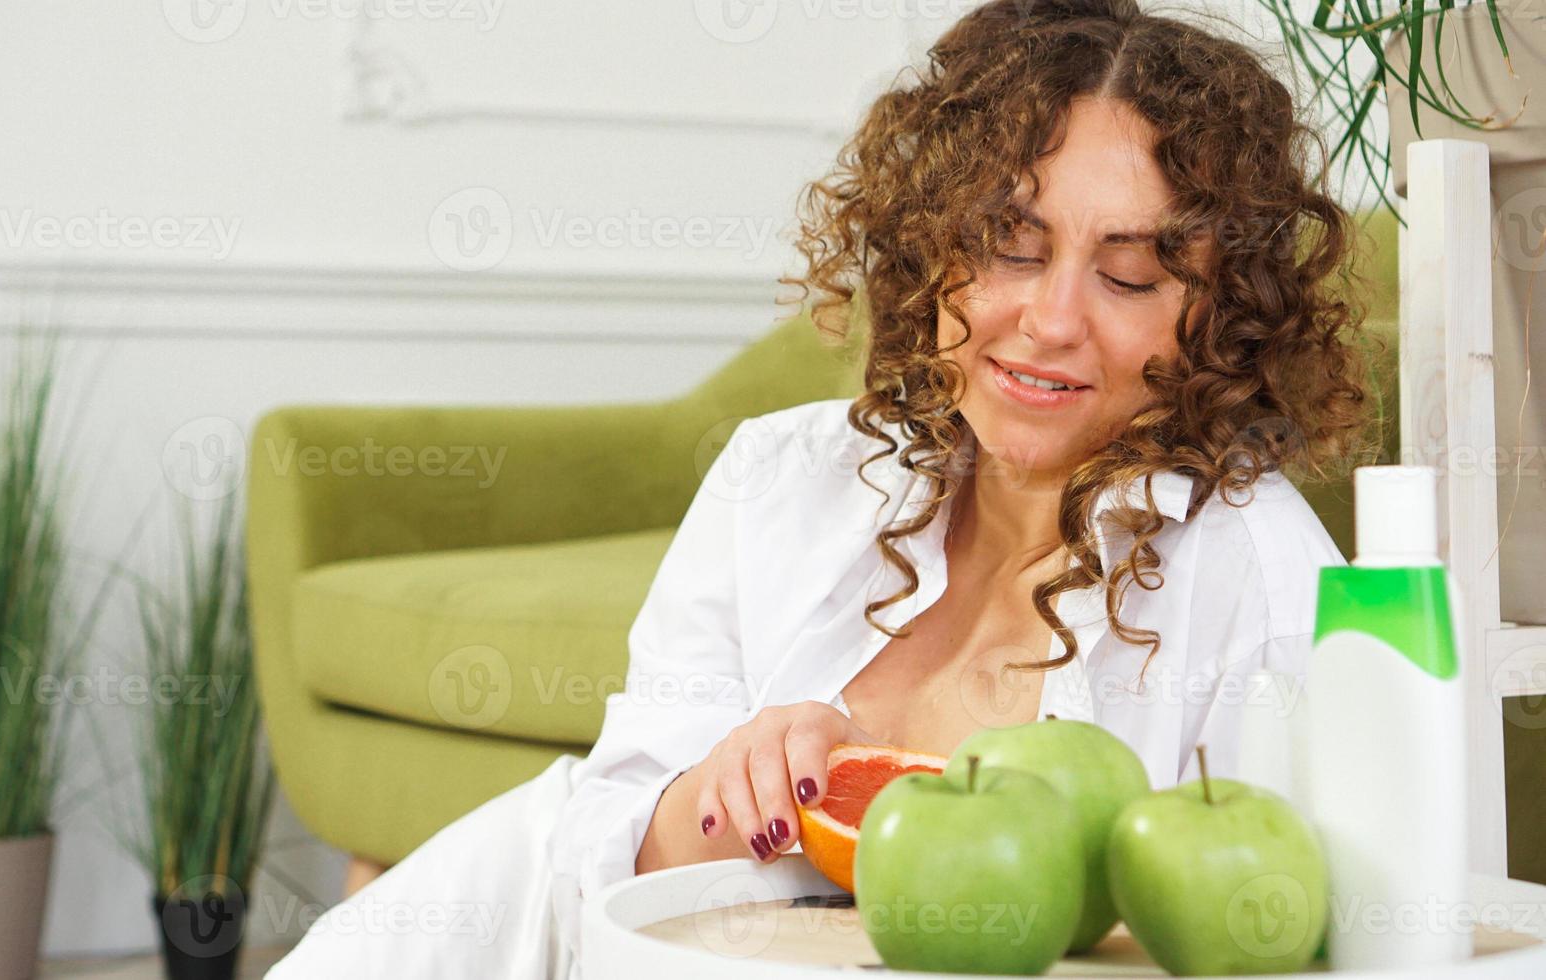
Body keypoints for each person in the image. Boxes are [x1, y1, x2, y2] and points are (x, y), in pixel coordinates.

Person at [264, 0, 1379, 976]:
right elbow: (601, 852)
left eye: (1130, 274)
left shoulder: (1250, 564)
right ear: (929, 241)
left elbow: (1275, 934)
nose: (1048, 319)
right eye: (1007, 242)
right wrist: (721, 789)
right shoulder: (782, 475)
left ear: (1213, 314)